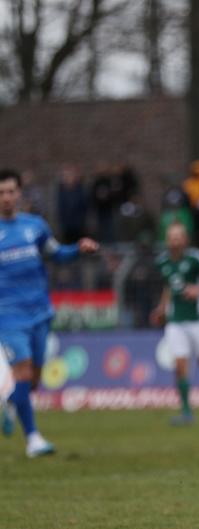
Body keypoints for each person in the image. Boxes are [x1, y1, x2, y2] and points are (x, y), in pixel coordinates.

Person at [0, 168, 99, 456]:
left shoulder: (35, 226)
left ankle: (9, 403)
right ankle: (33, 439)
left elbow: (57, 254)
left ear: (19, 194)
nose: (6, 197)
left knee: (32, 381)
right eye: (1, 193)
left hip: (40, 313)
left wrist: (79, 248)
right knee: (23, 369)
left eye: (10, 191)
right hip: (8, 318)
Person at [150, 222, 199, 426]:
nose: (174, 240)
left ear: (185, 239)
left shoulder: (197, 259)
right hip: (176, 321)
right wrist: (161, 308)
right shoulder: (163, 262)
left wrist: (198, 290)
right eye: (171, 237)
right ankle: (186, 412)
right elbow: (169, 287)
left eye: (178, 236)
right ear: (167, 240)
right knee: (180, 365)